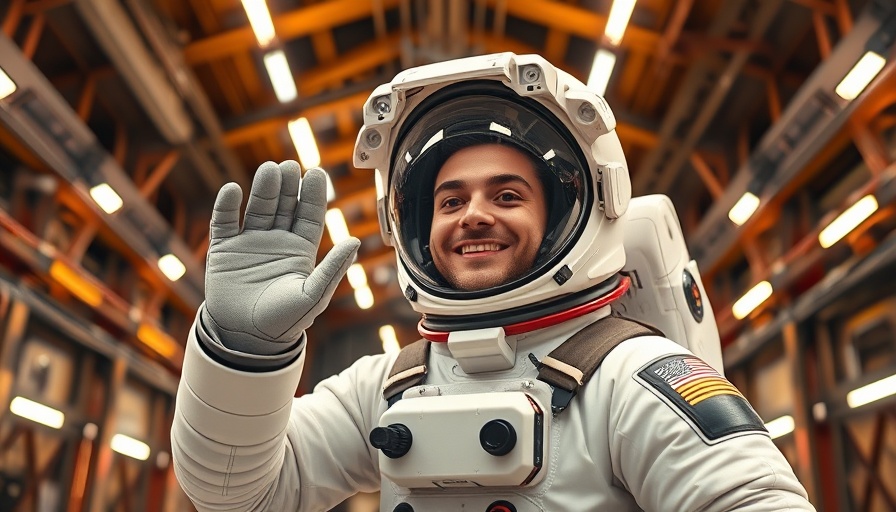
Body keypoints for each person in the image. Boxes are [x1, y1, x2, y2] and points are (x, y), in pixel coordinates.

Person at [171, 53, 816, 511]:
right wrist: (241, 352)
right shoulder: (388, 384)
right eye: (449, 202)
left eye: (506, 194)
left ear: (564, 213)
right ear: (421, 231)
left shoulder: (634, 375)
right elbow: (239, 494)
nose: (472, 214)